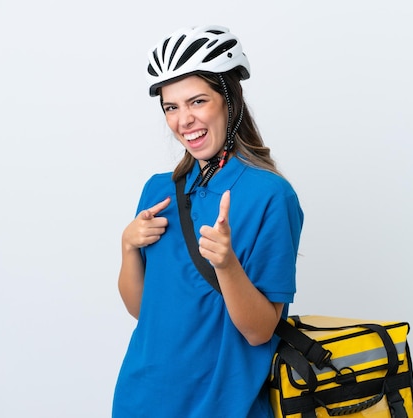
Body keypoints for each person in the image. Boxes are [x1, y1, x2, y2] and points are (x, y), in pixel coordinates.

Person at [112, 25, 303, 418]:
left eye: (197, 101)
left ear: (229, 101)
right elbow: (143, 311)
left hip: (224, 407)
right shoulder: (158, 191)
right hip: (140, 401)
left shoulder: (270, 196)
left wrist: (227, 264)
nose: (184, 120)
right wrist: (128, 247)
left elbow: (259, 331)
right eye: (171, 107)